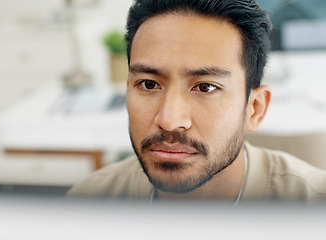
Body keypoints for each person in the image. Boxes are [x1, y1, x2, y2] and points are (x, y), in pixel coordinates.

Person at [67, 0, 326, 203]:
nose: (169, 121)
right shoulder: (88, 202)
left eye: (205, 87)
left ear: (255, 109)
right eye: (148, 84)